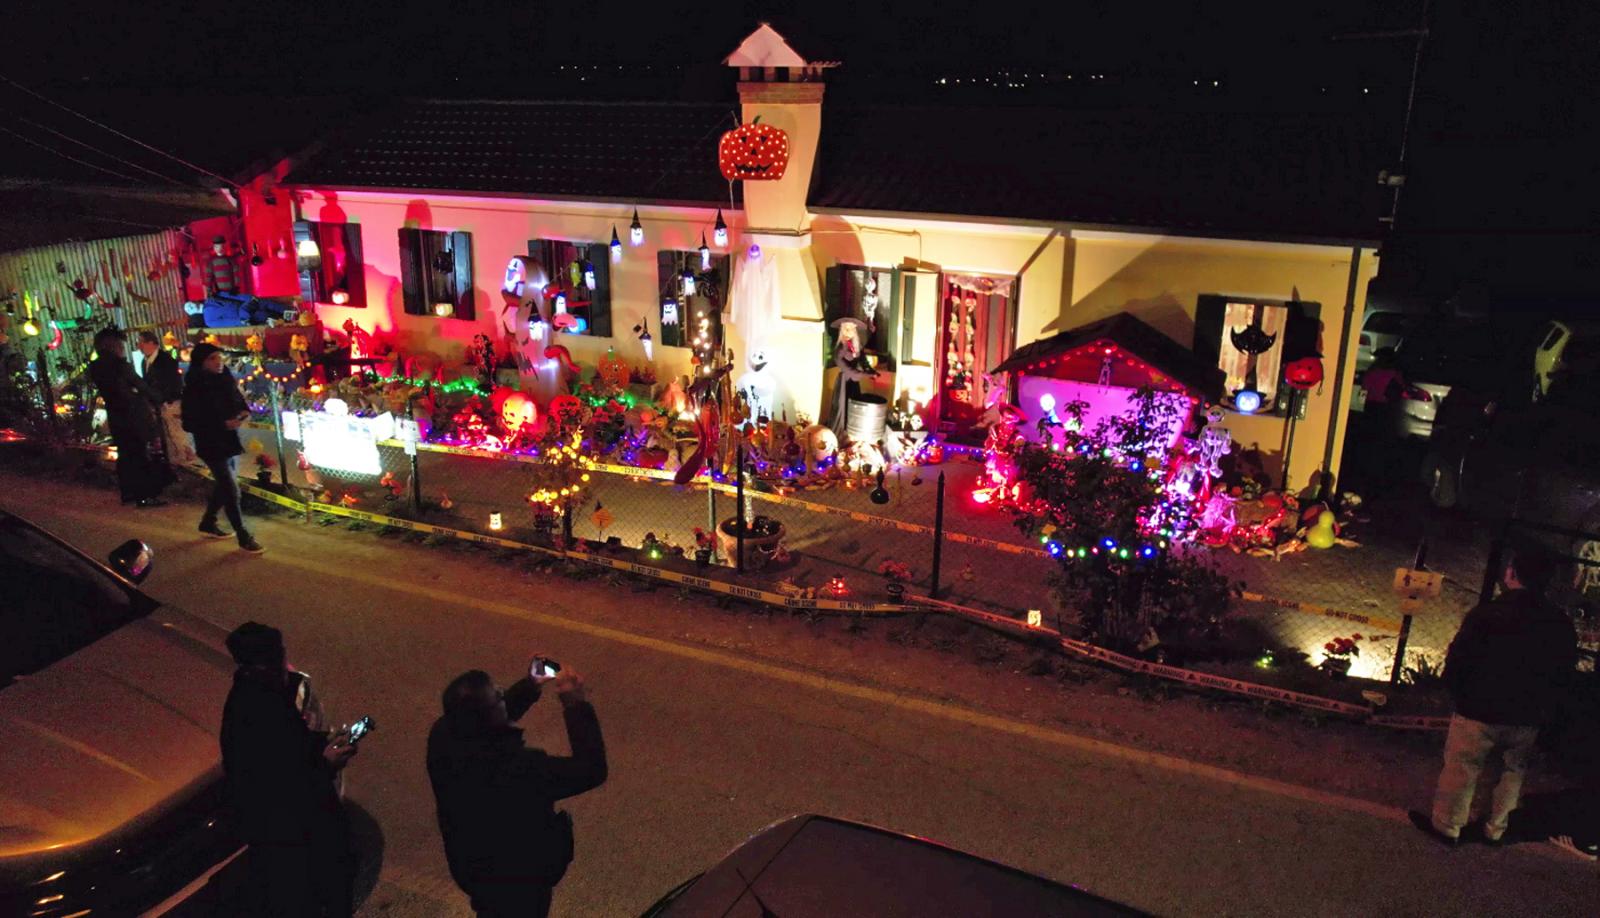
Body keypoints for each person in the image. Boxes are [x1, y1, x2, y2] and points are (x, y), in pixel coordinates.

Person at [1411, 547, 1579, 846]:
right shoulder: (1560, 624)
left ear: (1511, 574)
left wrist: (1457, 693)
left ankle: (1448, 827)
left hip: (1479, 708)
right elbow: (1563, 673)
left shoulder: (1487, 613)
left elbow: (1460, 658)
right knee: (1512, 772)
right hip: (1528, 715)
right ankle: (1495, 828)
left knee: (1462, 768)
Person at [427, 662, 607, 917]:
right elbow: (591, 769)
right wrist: (575, 705)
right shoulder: (520, 769)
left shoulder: (443, 738)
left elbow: (485, 719)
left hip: (475, 872)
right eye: (498, 695)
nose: (502, 692)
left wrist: (529, 685)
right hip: (521, 884)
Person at [220, 622, 358, 916]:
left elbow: (292, 752)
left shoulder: (264, 696)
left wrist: (324, 741)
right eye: (279, 656)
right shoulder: (256, 711)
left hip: (300, 835)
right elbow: (278, 785)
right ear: (263, 665)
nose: (285, 662)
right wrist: (326, 764)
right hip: (296, 841)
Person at [182, 342, 263, 552]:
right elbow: (189, 421)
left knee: (224, 484)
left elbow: (238, 401)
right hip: (210, 442)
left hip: (228, 440)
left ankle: (208, 522)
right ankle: (243, 535)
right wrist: (221, 423)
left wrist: (243, 413)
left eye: (219, 357)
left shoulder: (225, 379)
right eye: (212, 359)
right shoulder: (195, 387)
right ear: (201, 362)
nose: (218, 362)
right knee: (230, 488)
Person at [88, 326, 170, 507]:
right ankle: (145, 496)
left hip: (116, 416)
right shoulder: (120, 366)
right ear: (113, 345)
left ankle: (128, 493)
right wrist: (156, 397)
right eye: (120, 345)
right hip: (133, 415)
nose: (122, 348)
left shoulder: (95, 367)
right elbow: (140, 386)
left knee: (126, 455)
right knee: (140, 454)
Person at [136, 329, 196, 466]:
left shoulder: (165, 360)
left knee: (177, 435)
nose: (139, 347)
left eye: (141, 343)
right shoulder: (144, 362)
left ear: (152, 343)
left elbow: (172, 383)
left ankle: (188, 463)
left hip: (170, 403)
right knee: (167, 437)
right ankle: (175, 463)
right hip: (157, 405)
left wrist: (165, 399)